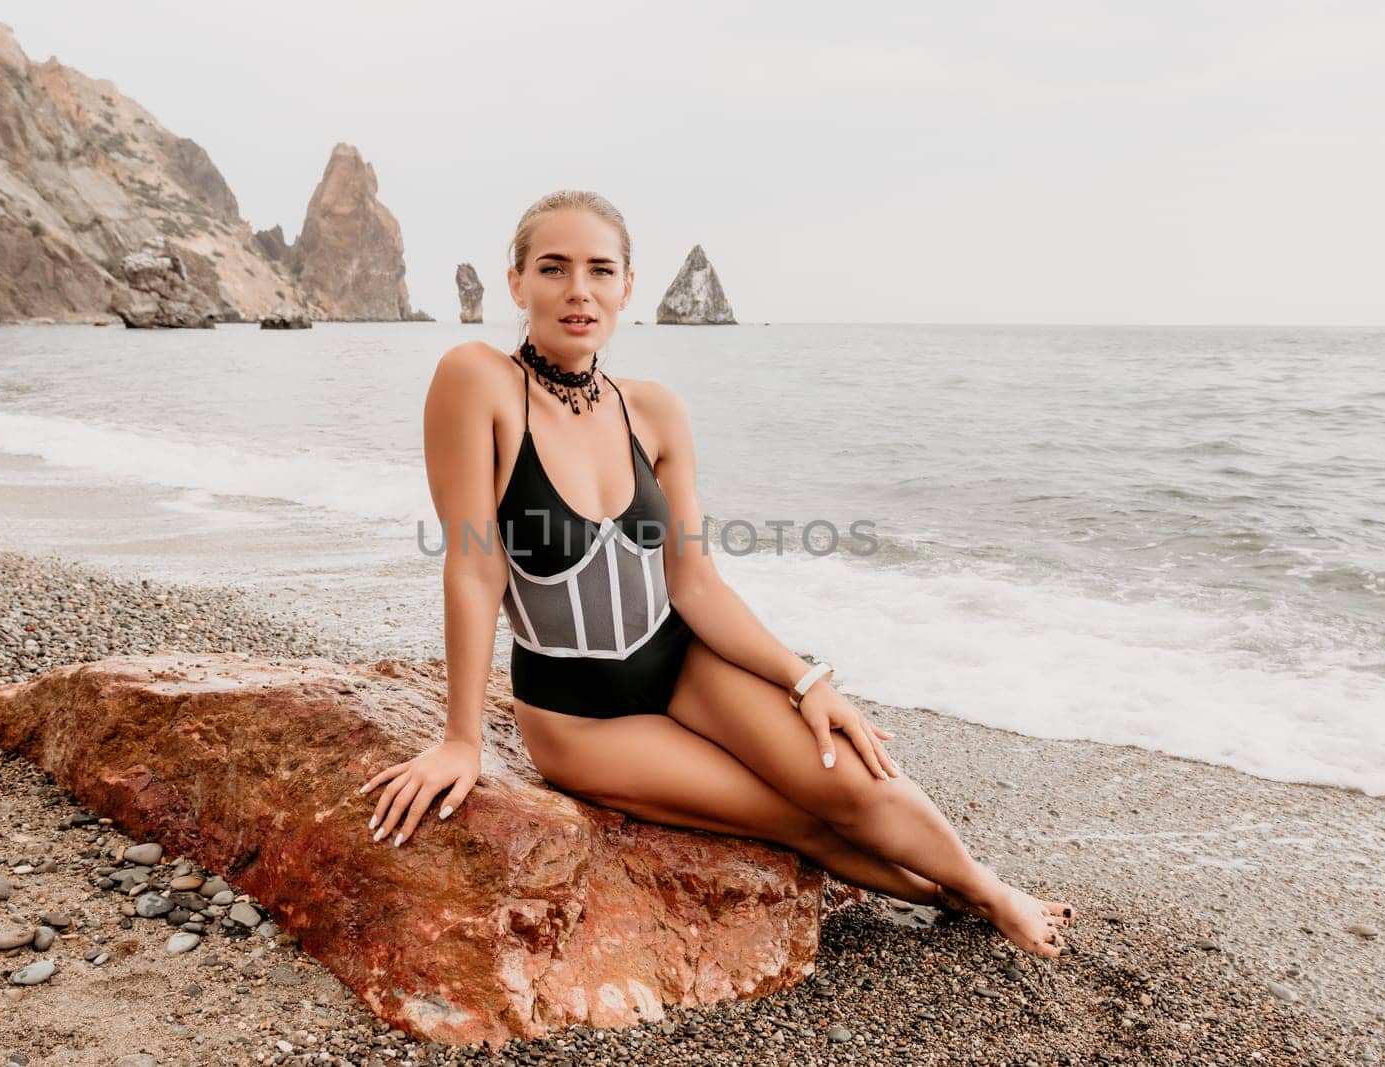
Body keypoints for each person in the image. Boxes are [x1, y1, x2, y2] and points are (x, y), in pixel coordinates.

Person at [358, 190, 1073, 957]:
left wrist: (807, 681)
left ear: (627, 287)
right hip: (579, 717)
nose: (578, 290)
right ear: (516, 283)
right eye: (553, 268)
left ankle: (988, 886)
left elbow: (694, 583)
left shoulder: (655, 411)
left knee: (847, 783)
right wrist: (461, 740)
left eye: (601, 270)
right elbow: (474, 566)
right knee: (788, 814)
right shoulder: (478, 380)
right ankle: (955, 894)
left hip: (683, 662)